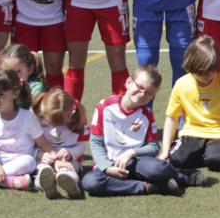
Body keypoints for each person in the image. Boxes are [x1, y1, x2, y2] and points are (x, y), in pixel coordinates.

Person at [83, 66, 196, 196]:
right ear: (129, 82)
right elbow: (95, 142)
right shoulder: (105, 107)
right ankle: (149, 187)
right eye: (140, 87)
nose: (142, 94)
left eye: (149, 94)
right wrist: (107, 167)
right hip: (109, 164)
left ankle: (182, 176)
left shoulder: (146, 114)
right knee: (90, 182)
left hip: (136, 163)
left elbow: (153, 147)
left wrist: (131, 152)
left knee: (158, 168)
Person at [159, 35, 220, 173]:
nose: (209, 76)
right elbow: (171, 118)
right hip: (192, 131)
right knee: (178, 161)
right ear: (192, 65)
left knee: (217, 162)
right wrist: (165, 150)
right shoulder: (181, 84)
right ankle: (187, 150)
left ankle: (213, 154)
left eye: (213, 70)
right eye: (203, 73)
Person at [31, 88, 88, 199]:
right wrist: (39, 154)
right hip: (43, 157)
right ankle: (44, 183)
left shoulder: (77, 116)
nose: (55, 127)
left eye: (61, 122)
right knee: (42, 169)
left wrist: (70, 152)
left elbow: (82, 146)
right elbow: (28, 144)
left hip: (68, 160)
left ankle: (69, 181)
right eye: (50, 121)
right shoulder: (34, 116)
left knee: (68, 170)